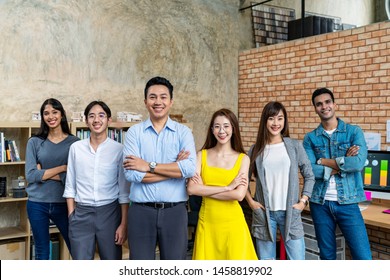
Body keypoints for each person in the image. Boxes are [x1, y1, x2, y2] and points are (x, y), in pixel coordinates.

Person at [123, 76, 196, 260]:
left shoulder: (183, 132)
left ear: (171, 101)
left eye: (163, 97)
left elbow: (188, 169)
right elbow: (131, 173)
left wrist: (148, 165)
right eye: (153, 97)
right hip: (140, 212)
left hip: (175, 212)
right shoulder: (134, 132)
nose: (158, 102)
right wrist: (174, 170)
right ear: (145, 101)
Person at [303, 87, 372, 260]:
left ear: (334, 104)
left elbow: (357, 163)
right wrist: (342, 162)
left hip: (348, 202)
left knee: (363, 257)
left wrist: (324, 161)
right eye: (319, 104)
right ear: (315, 108)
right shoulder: (310, 138)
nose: (324, 106)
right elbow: (309, 170)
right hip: (319, 203)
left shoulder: (353, 132)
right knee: (327, 258)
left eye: (327, 102)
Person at [245, 101, 315, 260]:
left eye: (280, 118)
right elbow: (243, 180)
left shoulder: (294, 146)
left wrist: (303, 201)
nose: (275, 123)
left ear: (285, 121)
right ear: (265, 121)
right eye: (271, 118)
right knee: (267, 262)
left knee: (297, 262)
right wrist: (251, 202)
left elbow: (309, 175)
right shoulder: (256, 149)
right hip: (264, 213)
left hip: (291, 211)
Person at [187, 108, 257, 260]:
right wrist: (227, 187)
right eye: (217, 126)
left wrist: (204, 188)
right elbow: (191, 189)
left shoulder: (243, 159)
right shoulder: (201, 155)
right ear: (212, 130)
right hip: (208, 223)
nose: (221, 130)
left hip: (233, 224)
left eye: (226, 126)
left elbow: (238, 195)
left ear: (233, 128)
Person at [63, 100, 130, 260]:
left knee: (111, 261)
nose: (96, 120)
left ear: (109, 120)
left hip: (110, 213)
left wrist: (123, 224)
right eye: (91, 116)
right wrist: (72, 216)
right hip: (81, 214)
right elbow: (70, 184)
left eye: (101, 115)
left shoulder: (119, 150)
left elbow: (124, 191)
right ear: (86, 121)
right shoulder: (76, 148)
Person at [25, 98, 79, 260]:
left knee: (76, 247)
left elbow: (75, 177)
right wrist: (63, 168)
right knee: (42, 251)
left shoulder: (75, 143)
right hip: (36, 203)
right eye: (46, 113)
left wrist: (44, 173)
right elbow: (31, 175)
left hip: (64, 203)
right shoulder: (34, 142)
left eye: (54, 112)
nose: (51, 116)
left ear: (62, 115)